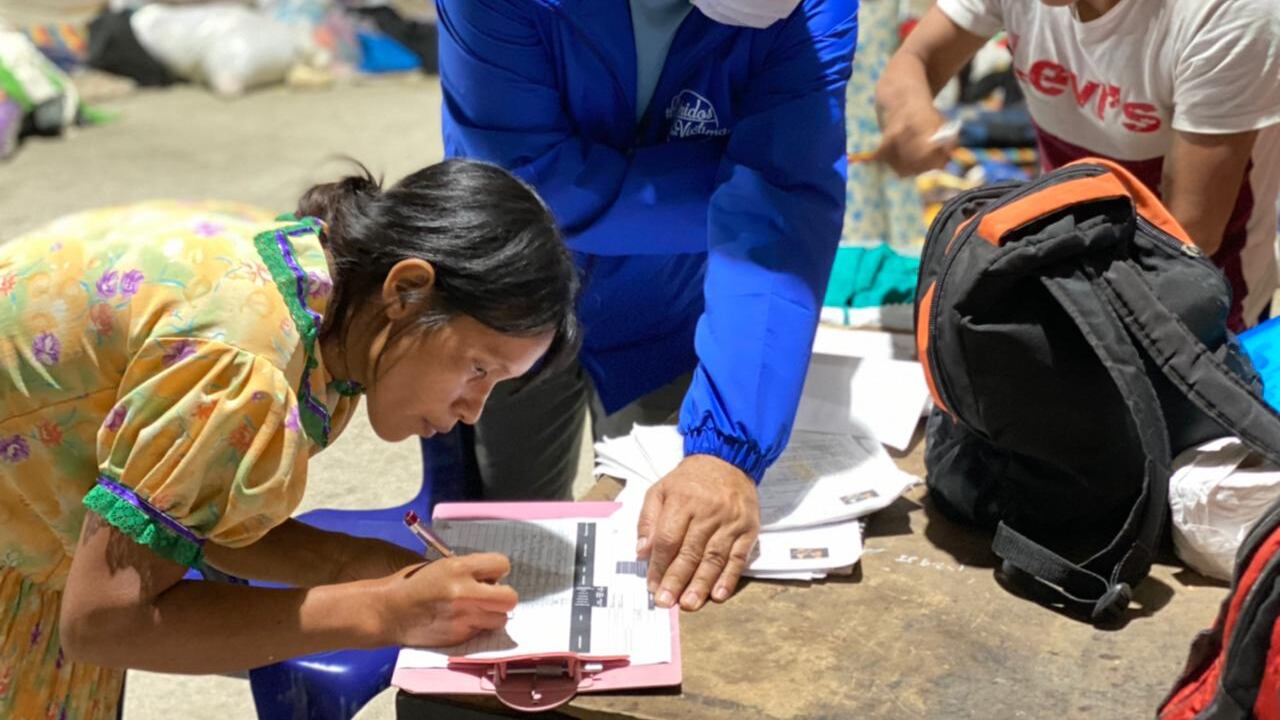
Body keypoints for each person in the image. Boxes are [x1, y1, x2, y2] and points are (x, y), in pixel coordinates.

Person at [0, 159, 579, 720]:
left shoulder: (324, 295)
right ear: (406, 291)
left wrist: (362, 563)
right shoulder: (246, 366)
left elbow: (194, 512)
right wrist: (381, 611)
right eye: (478, 368)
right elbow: (104, 624)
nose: (473, 410)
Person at [433, 0, 858, 613]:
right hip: (507, 296)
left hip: (669, 308)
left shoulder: (811, 9)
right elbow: (529, 182)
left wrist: (726, 447)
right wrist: (733, 191)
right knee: (507, 544)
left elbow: (784, 218)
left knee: (661, 550)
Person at [874, 0, 1280, 330]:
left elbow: (1188, 235)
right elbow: (915, 60)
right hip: (1071, 271)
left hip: (1205, 302)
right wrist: (910, 112)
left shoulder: (1229, 12)